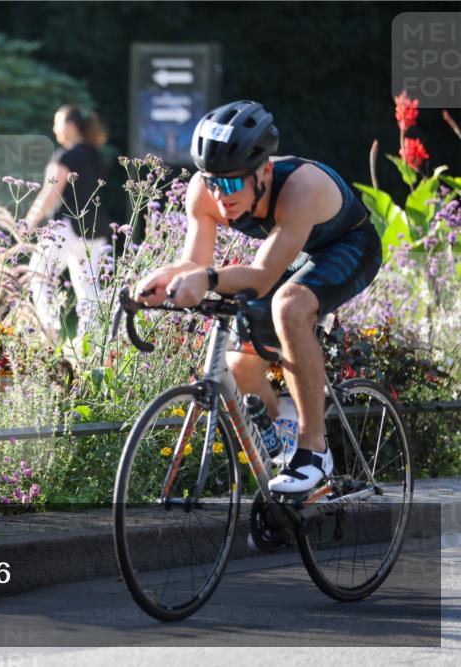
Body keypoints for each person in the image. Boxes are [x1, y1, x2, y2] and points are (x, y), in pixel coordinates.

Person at [132, 100, 382, 494]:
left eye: (231, 183)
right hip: (291, 251)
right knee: (240, 364)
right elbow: (194, 261)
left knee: (290, 307)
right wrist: (162, 278)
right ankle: (284, 440)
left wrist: (208, 279)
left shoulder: (300, 186)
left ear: (264, 171)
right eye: (212, 182)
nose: (220, 196)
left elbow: (263, 277)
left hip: (348, 245)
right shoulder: (205, 190)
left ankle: (314, 450)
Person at [26, 104, 115, 349]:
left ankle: (50, 330)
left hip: (66, 226)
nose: (55, 130)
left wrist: (30, 221)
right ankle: (91, 344)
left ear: (70, 126)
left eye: (57, 123)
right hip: (96, 229)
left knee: (38, 274)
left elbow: (51, 192)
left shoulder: (65, 156)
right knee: (89, 288)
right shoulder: (96, 155)